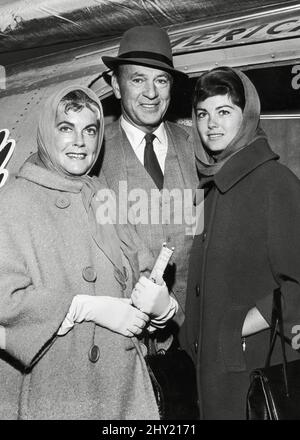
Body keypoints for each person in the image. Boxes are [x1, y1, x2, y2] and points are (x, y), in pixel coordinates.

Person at [0, 85, 177, 420]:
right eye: (66, 128)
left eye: (90, 130)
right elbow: (3, 299)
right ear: (47, 133)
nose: (80, 142)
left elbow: (137, 270)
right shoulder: (14, 203)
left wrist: (159, 304)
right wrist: (83, 306)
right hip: (56, 392)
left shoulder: (101, 195)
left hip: (121, 387)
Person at [181, 66, 300, 419]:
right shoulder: (214, 185)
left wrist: (241, 324)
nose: (211, 124)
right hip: (214, 375)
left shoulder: (274, 183)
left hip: (253, 375)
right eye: (203, 114)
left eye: (224, 112)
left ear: (246, 116)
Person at [99, 25, 199, 345]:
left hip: (193, 335)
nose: (151, 93)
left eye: (161, 80)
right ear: (116, 85)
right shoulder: (92, 152)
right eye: (138, 79)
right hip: (123, 341)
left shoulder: (195, 146)